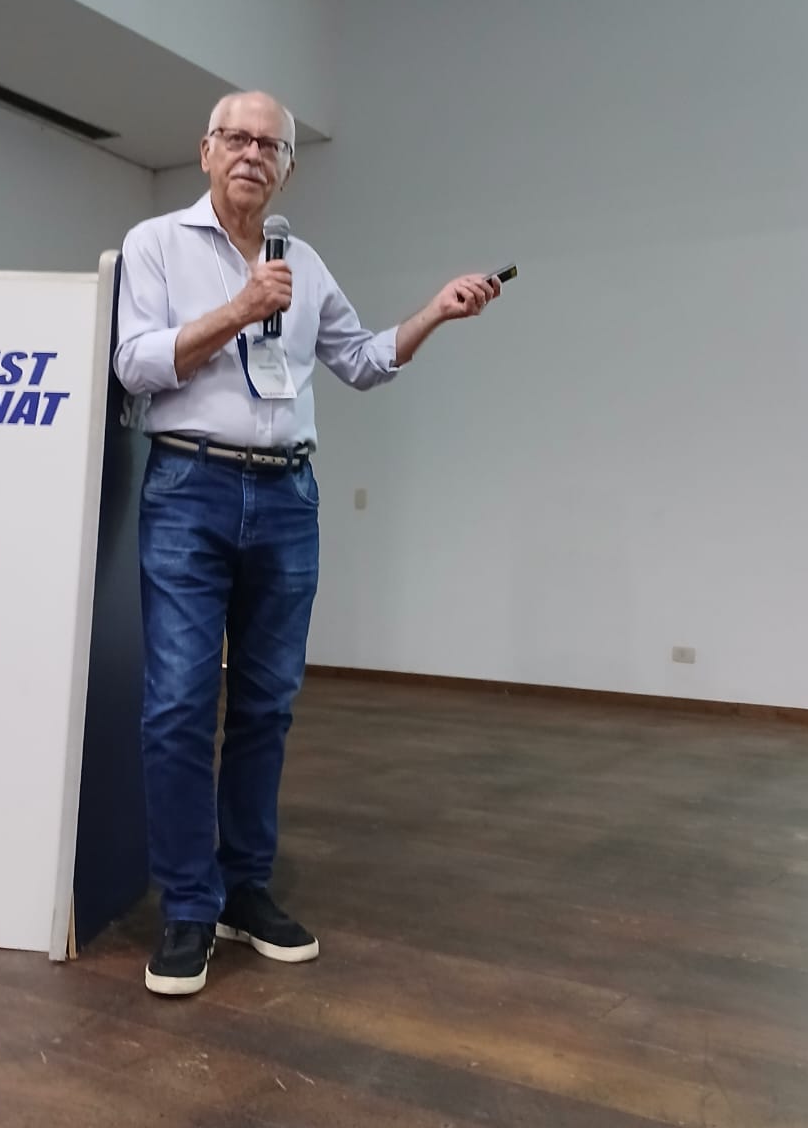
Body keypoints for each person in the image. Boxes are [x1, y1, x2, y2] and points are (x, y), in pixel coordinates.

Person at [115, 91, 500, 996]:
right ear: (206, 150)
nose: (253, 153)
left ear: (287, 167)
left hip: (288, 496)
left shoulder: (305, 261)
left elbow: (361, 362)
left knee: (265, 706)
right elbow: (134, 364)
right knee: (178, 706)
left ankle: (244, 889)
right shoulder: (156, 244)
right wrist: (240, 308)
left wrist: (434, 312)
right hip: (190, 486)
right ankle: (187, 905)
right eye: (237, 138)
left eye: (272, 145)